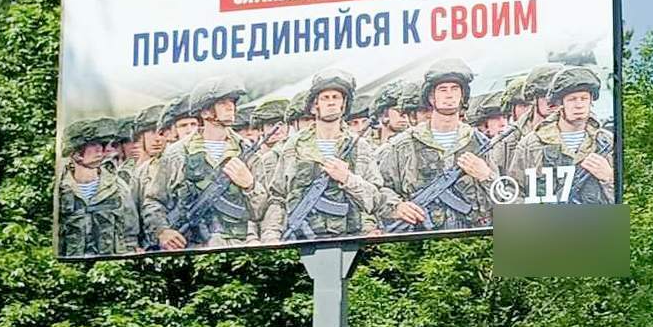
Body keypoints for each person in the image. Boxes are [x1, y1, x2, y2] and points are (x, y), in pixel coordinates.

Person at [374, 62, 498, 232]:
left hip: (472, 240)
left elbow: (508, 197)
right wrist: (397, 206)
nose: (449, 95)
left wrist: (486, 176)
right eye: (442, 89)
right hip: (419, 241)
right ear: (431, 97)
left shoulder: (481, 143)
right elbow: (378, 188)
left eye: (455, 89)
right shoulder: (403, 145)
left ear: (463, 96)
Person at [263, 71, 384, 242]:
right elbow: (278, 197)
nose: (331, 102)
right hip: (299, 239)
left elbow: (376, 199)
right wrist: (271, 236)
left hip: (350, 238)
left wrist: (348, 179)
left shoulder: (359, 146)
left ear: (344, 105)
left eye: (336, 97)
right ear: (314, 106)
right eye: (325, 98)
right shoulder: (294, 145)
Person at [505, 64, 618, 204]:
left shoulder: (607, 141)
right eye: (572, 99)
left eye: (584, 98)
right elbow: (512, 191)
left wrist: (609, 178)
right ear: (560, 104)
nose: (579, 105)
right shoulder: (532, 144)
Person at [166, 85, 260, 248]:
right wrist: (163, 231)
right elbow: (154, 201)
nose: (230, 106)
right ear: (205, 112)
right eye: (222, 102)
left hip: (240, 245)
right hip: (191, 246)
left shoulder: (246, 150)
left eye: (232, 101)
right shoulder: (178, 153)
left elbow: (267, 206)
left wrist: (250, 186)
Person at [56, 118, 148, 259]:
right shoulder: (60, 188)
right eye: (92, 144)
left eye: (102, 143)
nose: (100, 149)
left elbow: (130, 231)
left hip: (112, 263)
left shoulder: (117, 186)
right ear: (76, 151)